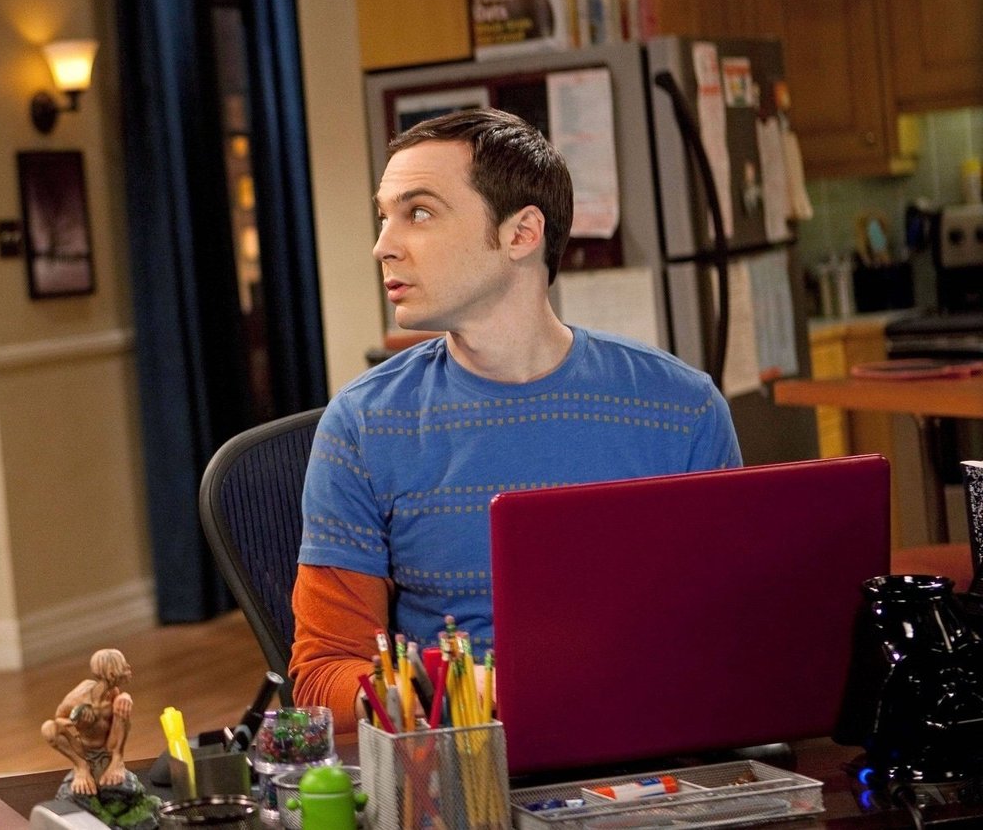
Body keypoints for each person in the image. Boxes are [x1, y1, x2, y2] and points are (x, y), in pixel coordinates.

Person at [289, 109, 740, 730]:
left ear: (522, 233)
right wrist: (450, 689)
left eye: (419, 213)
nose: (383, 245)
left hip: (648, 743)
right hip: (463, 755)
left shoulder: (682, 409)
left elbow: (731, 634)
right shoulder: (363, 425)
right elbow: (322, 677)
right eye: (384, 216)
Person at [41, 648, 135, 795]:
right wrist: (75, 720)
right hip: (83, 749)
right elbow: (58, 719)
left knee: (122, 702)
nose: (128, 668)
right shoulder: (79, 696)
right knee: (48, 728)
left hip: (108, 747)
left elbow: (120, 721)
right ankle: (81, 767)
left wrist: (126, 697)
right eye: (124, 666)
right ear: (111, 674)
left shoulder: (113, 692)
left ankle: (117, 761)